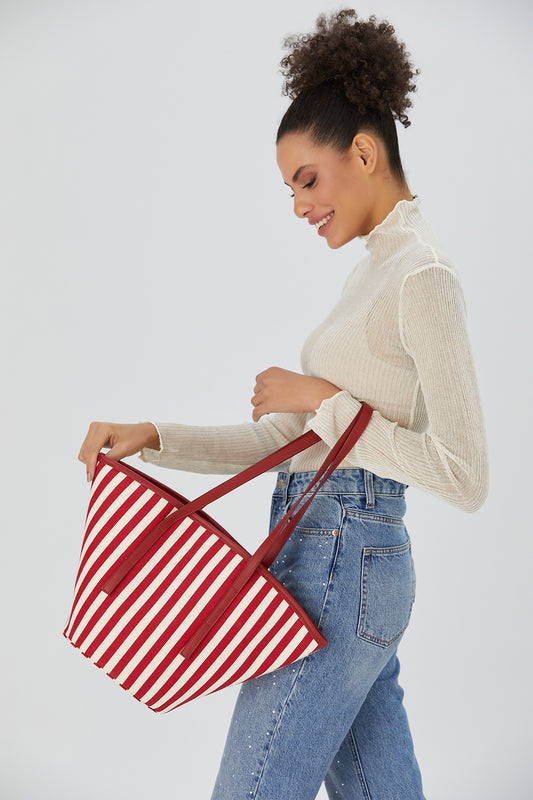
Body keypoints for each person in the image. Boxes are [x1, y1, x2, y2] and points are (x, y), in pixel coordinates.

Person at [78, 9, 489, 799]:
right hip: (332, 551)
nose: (298, 205)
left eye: (307, 179)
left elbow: (463, 474)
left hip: (343, 553)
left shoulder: (421, 274)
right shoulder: (374, 269)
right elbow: (292, 439)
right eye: (288, 188)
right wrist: (154, 436)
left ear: (363, 153)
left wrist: (325, 399)